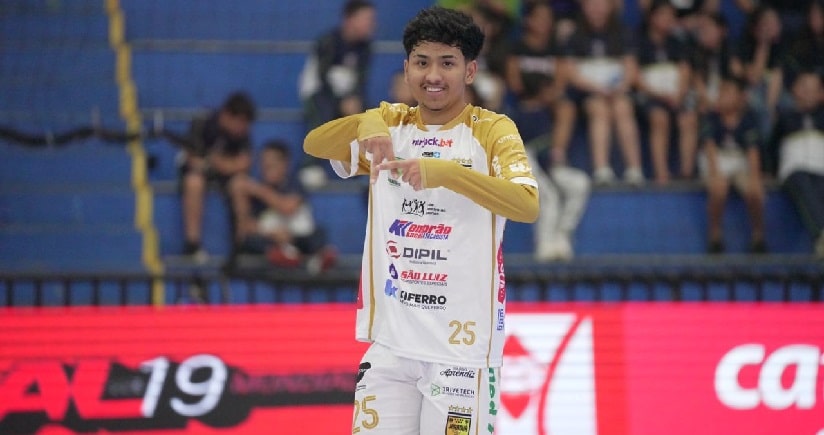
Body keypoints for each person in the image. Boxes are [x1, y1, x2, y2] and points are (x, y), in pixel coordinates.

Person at [303, 7, 538, 434]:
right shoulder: (392, 127)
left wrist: (444, 173)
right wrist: (372, 119)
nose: (433, 75)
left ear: (470, 70)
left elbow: (526, 203)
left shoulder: (493, 130)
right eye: (421, 62)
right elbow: (314, 143)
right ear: (406, 68)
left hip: (462, 358)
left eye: (447, 63)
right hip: (391, 349)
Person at [505, 1, 589, 260]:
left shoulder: (557, 50)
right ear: (528, 20)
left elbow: (560, 87)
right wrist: (542, 97)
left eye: (548, 18)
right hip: (523, 147)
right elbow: (516, 86)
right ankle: (544, 250)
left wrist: (542, 99)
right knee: (548, 196)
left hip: (547, 151)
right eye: (539, 17)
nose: (544, 23)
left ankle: (562, 238)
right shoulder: (516, 48)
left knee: (580, 184)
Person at [563, 0, 645, 185]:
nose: (596, 9)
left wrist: (621, 87)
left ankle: (635, 169)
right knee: (599, 110)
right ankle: (602, 170)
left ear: (610, 6)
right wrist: (597, 88)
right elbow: (571, 73)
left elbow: (630, 68)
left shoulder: (623, 33)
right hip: (588, 92)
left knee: (623, 107)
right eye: (591, 5)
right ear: (583, 7)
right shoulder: (574, 35)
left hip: (617, 91)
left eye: (601, 4)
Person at [298, 0, 376, 188]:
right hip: (317, 91)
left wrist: (354, 99)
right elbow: (322, 78)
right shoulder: (328, 42)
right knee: (322, 110)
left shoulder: (365, 48)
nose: (372, 24)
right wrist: (341, 101)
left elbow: (360, 79)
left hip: (345, 94)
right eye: (366, 19)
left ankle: (360, 164)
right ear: (349, 20)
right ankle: (310, 165)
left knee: (369, 115)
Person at [232, 140, 337, 274]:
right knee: (251, 241)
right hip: (271, 237)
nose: (266, 169)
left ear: (285, 164)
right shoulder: (253, 193)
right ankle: (284, 256)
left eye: (271, 166)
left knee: (318, 234)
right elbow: (245, 227)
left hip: (294, 235)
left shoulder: (293, 184)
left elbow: (288, 208)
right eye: (264, 165)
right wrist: (272, 234)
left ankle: (315, 258)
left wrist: (259, 190)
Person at [179, 91, 256, 262]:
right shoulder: (203, 124)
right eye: (241, 122)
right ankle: (192, 244)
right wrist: (221, 164)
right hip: (199, 174)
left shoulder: (243, 135)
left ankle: (242, 245)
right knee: (194, 183)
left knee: (241, 184)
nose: (244, 128)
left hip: (226, 177)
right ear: (228, 115)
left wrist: (220, 163)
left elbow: (244, 163)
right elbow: (193, 159)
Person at [699, 75, 767, 254]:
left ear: (740, 97)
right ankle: (715, 236)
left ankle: (758, 236)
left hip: (738, 161)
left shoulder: (748, 120)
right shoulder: (710, 118)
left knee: (755, 191)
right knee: (719, 187)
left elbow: (752, 152)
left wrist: (754, 178)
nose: (722, 97)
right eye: (720, 93)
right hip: (717, 159)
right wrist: (715, 174)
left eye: (728, 93)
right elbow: (710, 148)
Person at [635, 0, 698, 184]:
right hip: (650, 95)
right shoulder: (639, 40)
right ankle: (661, 173)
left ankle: (686, 173)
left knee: (689, 118)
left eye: (671, 16)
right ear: (652, 17)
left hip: (675, 94)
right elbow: (634, 75)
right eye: (663, 15)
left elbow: (685, 71)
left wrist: (679, 94)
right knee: (659, 118)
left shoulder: (678, 42)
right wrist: (658, 94)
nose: (668, 20)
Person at [770, 72, 824, 259]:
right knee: (803, 183)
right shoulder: (785, 117)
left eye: (812, 89)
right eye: (804, 88)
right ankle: (821, 235)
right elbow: (772, 146)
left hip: (820, 167)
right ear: (794, 91)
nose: (808, 93)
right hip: (794, 168)